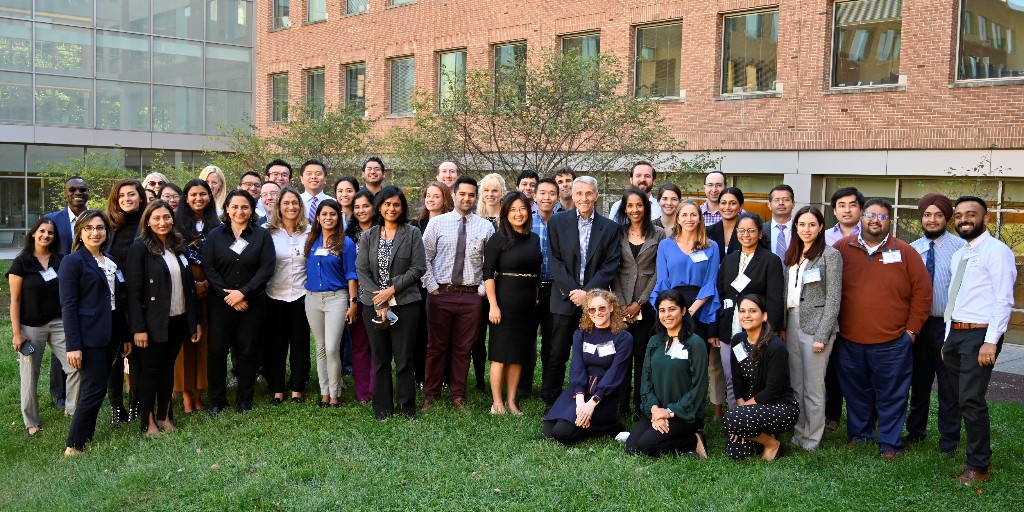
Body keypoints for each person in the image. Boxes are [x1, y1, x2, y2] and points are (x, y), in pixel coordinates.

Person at [834, 198, 931, 458]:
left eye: (882, 216)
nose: (875, 220)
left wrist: (911, 332)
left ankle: (889, 442)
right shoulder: (842, 248)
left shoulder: (905, 251)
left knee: (892, 395)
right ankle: (859, 434)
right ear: (861, 218)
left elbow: (922, 294)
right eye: (870, 215)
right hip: (849, 340)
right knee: (855, 393)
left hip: (892, 342)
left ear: (890, 221)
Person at [944, 196, 1016, 485]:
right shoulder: (959, 254)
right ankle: (976, 454)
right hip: (956, 334)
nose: (964, 219)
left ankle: (979, 466)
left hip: (980, 334)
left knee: (972, 400)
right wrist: (947, 338)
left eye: (971, 214)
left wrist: (990, 341)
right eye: (959, 215)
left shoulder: (997, 251)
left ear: (984, 218)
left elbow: (1004, 299)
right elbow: (955, 296)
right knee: (962, 399)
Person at [544, 176, 621, 410]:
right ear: (572, 195)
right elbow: (555, 261)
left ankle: (592, 395)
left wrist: (587, 295)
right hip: (563, 298)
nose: (584, 198)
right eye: (579, 194)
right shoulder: (557, 222)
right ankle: (551, 399)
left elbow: (610, 264)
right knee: (557, 351)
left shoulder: (609, 228)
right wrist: (572, 292)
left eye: (589, 194)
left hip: (595, 303)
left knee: (594, 353)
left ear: (596, 196)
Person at [126, 200, 201, 436]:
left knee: (168, 369)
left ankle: (165, 416)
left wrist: (193, 321)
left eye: (167, 217)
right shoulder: (140, 248)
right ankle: (148, 423)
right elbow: (133, 292)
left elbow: (188, 286)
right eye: (156, 218)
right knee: (151, 372)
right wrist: (138, 328)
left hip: (177, 319)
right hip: (152, 323)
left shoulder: (177, 246)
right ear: (147, 221)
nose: (162, 222)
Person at [421, 176, 495, 411]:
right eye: (462, 194)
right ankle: (431, 394)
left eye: (471, 195)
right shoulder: (437, 224)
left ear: (476, 197)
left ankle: (458, 395)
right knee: (436, 347)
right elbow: (424, 258)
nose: (466, 198)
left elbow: (490, 264)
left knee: (464, 348)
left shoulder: (485, 227)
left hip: (471, 296)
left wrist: (481, 291)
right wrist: (432, 286)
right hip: (441, 293)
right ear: (453, 196)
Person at [202, 190, 276, 415]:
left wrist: (243, 293)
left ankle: (244, 400)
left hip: (251, 304)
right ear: (226, 209)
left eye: (244, 207)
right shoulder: (215, 235)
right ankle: (217, 401)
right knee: (216, 351)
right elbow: (209, 268)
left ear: (252, 210)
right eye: (234, 207)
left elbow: (266, 268)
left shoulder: (261, 236)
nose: (239, 211)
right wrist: (230, 297)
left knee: (247, 351)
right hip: (220, 305)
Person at [357, 187, 426, 419]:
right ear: (379, 207)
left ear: (402, 207)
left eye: (396, 204)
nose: (391, 209)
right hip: (372, 304)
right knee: (380, 359)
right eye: (387, 204)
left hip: (405, 303)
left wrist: (392, 290)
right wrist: (380, 298)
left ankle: (407, 408)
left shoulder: (412, 233)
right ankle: (382, 408)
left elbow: (418, 268)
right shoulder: (368, 236)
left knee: (405, 359)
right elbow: (362, 270)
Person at [649, 199, 721, 418]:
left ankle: (695, 412)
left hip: (700, 308)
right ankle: (670, 406)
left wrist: (691, 310)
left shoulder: (711, 246)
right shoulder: (666, 245)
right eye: (684, 215)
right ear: (677, 218)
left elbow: (711, 282)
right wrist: (675, 310)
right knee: (673, 359)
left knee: (696, 362)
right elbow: (663, 281)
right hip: (671, 306)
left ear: (700, 218)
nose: (689, 219)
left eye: (694, 215)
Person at [904, 194, 965, 452]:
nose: (932, 220)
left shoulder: (961, 248)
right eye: (927, 215)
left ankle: (949, 439)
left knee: (949, 385)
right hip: (918, 325)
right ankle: (916, 431)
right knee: (918, 382)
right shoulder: (911, 249)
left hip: (947, 325)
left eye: (938, 215)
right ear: (921, 218)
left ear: (946, 218)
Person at [8, 218, 78, 436]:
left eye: (50, 232)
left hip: (59, 323)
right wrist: (17, 333)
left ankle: (73, 409)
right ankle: (31, 421)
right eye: (42, 231)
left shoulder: (61, 259)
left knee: (75, 367)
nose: (46, 235)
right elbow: (15, 299)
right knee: (30, 375)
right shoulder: (21, 262)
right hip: (31, 327)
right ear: (33, 233)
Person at [60, 210, 121, 457]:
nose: (95, 233)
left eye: (99, 228)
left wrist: (124, 337)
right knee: (94, 388)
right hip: (88, 337)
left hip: (111, 333)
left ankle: (87, 434)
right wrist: (73, 345)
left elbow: (117, 300)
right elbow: (69, 306)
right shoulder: (72, 262)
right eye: (89, 228)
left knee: (97, 387)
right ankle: (74, 445)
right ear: (80, 232)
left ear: (106, 232)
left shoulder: (110, 260)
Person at [708, 213, 784, 410]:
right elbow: (720, 294)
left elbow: (775, 299)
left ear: (760, 234)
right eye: (741, 230)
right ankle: (736, 420)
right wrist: (714, 330)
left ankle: (757, 420)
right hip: (729, 326)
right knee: (732, 376)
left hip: (757, 330)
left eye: (751, 230)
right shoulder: (729, 260)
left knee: (757, 378)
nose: (746, 235)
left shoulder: (770, 260)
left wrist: (773, 331)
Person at [783, 206, 842, 451]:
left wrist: (823, 334)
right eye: (802, 224)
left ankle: (813, 438)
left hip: (816, 326)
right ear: (796, 227)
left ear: (820, 228)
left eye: (812, 224)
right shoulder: (792, 254)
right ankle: (799, 431)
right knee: (796, 384)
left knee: (814, 386)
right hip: (792, 321)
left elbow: (834, 298)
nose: (806, 229)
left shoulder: (830, 255)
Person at [625, 289, 708, 458]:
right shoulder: (654, 342)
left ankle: (694, 440)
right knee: (632, 447)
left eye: (672, 309)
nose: (667, 315)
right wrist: (655, 409)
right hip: (657, 409)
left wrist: (669, 412)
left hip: (684, 413)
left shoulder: (695, 344)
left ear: (683, 311)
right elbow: (646, 381)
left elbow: (699, 387)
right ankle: (685, 440)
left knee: (647, 445)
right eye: (662, 311)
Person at [542, 290, 632, 443]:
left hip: (604, 395)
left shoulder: (624, 338)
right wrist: (580, 401)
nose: (597, 313)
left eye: (602, 308)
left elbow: (615, 373)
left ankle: (609, 425)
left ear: (611, 307)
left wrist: (591, 404)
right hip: (580, 391)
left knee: (562, 433)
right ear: (587, 311)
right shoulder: (581, 334)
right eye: (592, 309)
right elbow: (577, 367)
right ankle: (593, 424)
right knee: (548, 432)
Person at [483, 191, 541, 415]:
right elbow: (488, 273)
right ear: (506, 213)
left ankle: (512, 400)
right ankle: (497, 402)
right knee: (500, 355)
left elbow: (536, 272)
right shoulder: (498, 238)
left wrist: (535, 299)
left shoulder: (534, 239)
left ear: (529, 211)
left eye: (523, 209)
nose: (519, 214)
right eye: (513, 209)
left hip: (527, 304)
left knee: (518, 355)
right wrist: (493, 305)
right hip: (504, 301)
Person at [611, 187, 666, 418]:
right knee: (622, 354)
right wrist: (623, 303)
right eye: (630, 206)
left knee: (643, 356)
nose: (635, 210)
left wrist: (640, 302)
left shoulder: (660, 234)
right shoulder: (617, 232)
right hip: (620, 302)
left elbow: (659, 271)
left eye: (639, 205)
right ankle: (621, 404)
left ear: (646, 207)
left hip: (647, 304)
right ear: (625, 208)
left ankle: (641, 406)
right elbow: (612, 268)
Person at [724, 294, 799, 461]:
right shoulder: (738, 340)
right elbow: (736, 379)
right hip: (751, 408)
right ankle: (764, 437)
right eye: (742, 311)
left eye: (752, 311)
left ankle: (773, 444)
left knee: (732, 418)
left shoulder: (776, 347)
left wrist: (741, 412)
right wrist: (741, 404)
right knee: (736, 452)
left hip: (781, 408)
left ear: (764, 316)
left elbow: (773, 391)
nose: (747, 315)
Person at [307, 199, 360, 407]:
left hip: (336, 298)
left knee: (331, 348)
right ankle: (324, 393)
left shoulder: (345, 243)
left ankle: (335, 392)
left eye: (333, 214)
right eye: (324, 214)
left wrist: (353, 302)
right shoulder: (311, 241)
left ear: (339, 217)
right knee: (320, 348)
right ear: (318, 218)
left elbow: (351, 274)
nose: (328, 218)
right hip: (312, 299)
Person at [174, 179, 219, 413]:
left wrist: (208, 282)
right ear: (186, 197)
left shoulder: (218, 223)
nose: (198, 198)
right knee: (185, 339)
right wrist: (192, 282)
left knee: (206, 339)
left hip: (211, 284)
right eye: (193, 194)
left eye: (203, 194)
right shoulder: (176, 224)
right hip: (183, 282)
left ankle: (200, 392)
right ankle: (185, 395)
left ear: (210, 197)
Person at [44, 175, 89, 411]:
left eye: (82, 189)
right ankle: (58, 392)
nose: (78, 193)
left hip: (89, 287)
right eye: (73, 189)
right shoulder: (52, 220)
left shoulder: (95, 219)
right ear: (66, 193)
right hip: (60, 289)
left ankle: (83, 388)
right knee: (62, 339)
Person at [105, 178, 147, 425]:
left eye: (131, 195)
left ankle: (136, 403)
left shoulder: (147, 224)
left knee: (138, 356)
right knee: (115, 355)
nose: (126, 200)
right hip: (113, 301)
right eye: (121, 196)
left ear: (140, 197)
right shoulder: (110, 227)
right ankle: (116, 406)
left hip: (139, 300)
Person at [264, 188, 311, 405]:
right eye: (286, 203)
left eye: (295, 203)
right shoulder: (267, 233)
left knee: (300, 342)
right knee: (276, 343)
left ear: (300, 207)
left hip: (302, 294)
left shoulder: (310, 232)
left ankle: (297, 389)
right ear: (278, 207)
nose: (291, 207)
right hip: (274, 295)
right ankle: (277, 389)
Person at [823, 186, 864, 431]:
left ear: (861, 209)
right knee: (831, 365)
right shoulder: (824, 236)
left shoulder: (870, 234)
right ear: (835, 211)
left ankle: (862, 416)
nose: (847, 210)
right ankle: (832, 416)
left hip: (857, 309)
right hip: (828, 308)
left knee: (856, 366)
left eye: (852, 205)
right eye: (841, 205)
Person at [410, 181, 454, 386]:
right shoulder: (415, 226)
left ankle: (443, 377)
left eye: (436, 196)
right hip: (418, 287)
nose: (431, 199)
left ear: (445, 199)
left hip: (443, 287)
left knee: (441, 334)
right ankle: (420, 376)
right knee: (420, 334)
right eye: (428, 195)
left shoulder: (452, 223)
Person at [521, 178, 559, 398]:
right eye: (542, 193)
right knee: (527, 339)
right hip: (529, 288)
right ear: (534, 196)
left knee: (551, 341)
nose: (547, 197)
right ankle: (524, 387)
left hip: (554, 289)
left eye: (551, 193)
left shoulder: (563, 222)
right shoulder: (527, 221)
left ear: (557, 197)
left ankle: (548, 387)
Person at [473, 172, 507, 390]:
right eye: (486, 190)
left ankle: (500, 378)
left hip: (501, 286)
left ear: (502, 192)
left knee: (499, 334)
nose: (490, 194)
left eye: (494, 190)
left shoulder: (508, 220)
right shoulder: (475, 220)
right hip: (477, 287)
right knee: (476, 336)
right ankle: (479, 381)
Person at [344, 190, 377, 399]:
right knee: (360, 344)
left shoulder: (383, 232)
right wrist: (352, 300)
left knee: (378, 345)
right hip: (356, 296)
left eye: (365, 206)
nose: (361, 210)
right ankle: (362, 392)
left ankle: (376, 388)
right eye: (357, 207)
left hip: (380, 296)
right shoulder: (347, 237)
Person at [706, 186, 744, 259]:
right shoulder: (707, 231)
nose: (727, 207)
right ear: (718, 205)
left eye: (732, 203)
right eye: (723, 203)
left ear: (740, 207)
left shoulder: (746, 232)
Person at [766, 185, 795, 262]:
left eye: (786, 199)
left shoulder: (801, 230)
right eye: (776, 200)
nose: (781, 203)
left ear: (793, 204)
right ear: (769, 205)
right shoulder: (760, 230)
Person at [299, 159, 331, 224]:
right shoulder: (295, 202)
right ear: (302, 179)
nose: (313, 177)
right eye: (309, 174)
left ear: (325, 179)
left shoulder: (333, 202)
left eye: (318, 174)